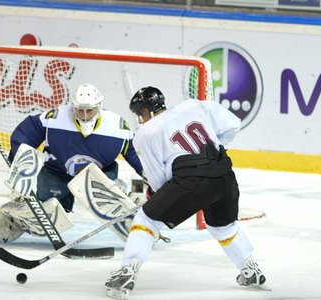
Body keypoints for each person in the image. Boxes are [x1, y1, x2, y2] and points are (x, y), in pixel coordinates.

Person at [105, 86, 266, 299]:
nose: (140, 119)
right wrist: (215, 151)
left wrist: (158, 195)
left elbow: (158, 179)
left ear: (145, 111)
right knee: (223, 227)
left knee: (146, 220)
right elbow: (233, 124)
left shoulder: (146, 133)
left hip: (190, 181)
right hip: (224, 175)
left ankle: (126, 273)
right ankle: (251, 269)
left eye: (139, 114)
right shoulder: (193, 106)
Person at [0, 83, 143, 243]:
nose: (85, 115)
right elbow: (27, 131)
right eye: (80, 110)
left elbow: (136, 155)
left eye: (90, 110)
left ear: (99, 106)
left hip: (99, 176)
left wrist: (149, 176)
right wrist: (18, 159)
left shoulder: (117, 127)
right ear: (72, 107)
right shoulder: (55, 118)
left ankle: (120, 193)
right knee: (47, 214)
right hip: (57, 173)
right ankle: (17, 218)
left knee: (108, 193)